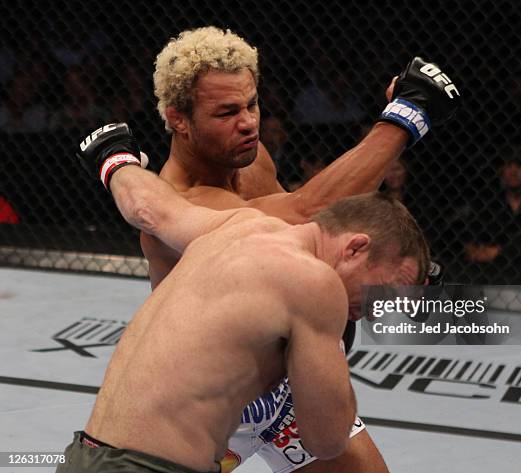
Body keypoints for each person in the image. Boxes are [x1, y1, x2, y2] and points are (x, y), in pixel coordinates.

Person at [136, 26, 459, 473]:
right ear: (178, 119)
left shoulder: (248, 158)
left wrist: (382, 277)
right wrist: (407, 114)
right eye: (227, 112)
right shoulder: (177, 204)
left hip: (285, 391)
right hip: (207, 414)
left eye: (251, 104)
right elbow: (309, 211)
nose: (248, 122)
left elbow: (312, 241)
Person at [58, 128, 432, 473]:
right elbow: (327, 438)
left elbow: (149, 208)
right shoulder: (317, 284)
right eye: (383, 289)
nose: (374, 309)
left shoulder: (234, 224)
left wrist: (114, 160)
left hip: (86, 454)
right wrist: (329, 344)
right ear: (356, 247)